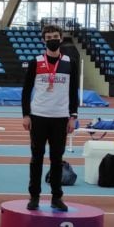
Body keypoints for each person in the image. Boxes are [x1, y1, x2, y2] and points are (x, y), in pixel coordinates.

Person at [21, 24, 78, 211]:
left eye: (55, 36)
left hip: (61, 118)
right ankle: (34, 196)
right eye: (49, 37)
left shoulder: (70, 62)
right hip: (38, 116)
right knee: (36, 158)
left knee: (57, 159)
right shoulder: (35, 62)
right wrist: (26, 114)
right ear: (43, 40)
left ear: (61, 38)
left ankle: (56, 197)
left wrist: (73, 116)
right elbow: (26, 90)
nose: (52, 39)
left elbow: (73, 91)